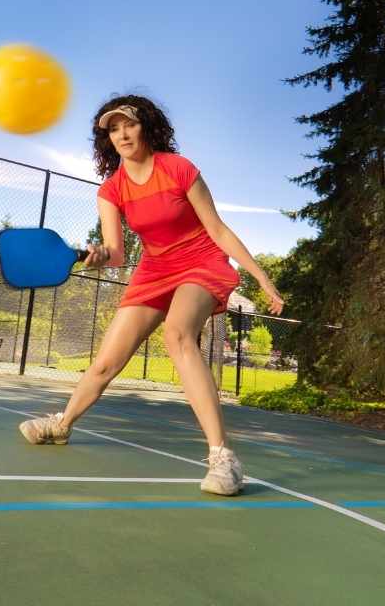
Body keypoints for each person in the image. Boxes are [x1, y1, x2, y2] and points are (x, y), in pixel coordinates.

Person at [18, 95, 283, 495]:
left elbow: (218, 229)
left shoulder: (179, 169)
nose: (122, 133)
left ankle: (223, 458)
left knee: (178, 334)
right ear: (106, 138)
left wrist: (262, 278)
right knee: (107, 361)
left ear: (147, 126)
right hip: (154, 269)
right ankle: (61, 425)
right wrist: (99, 255)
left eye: (129, 124)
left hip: (201, 261)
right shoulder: (111, 190)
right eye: (113, 128)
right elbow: (117, 253)